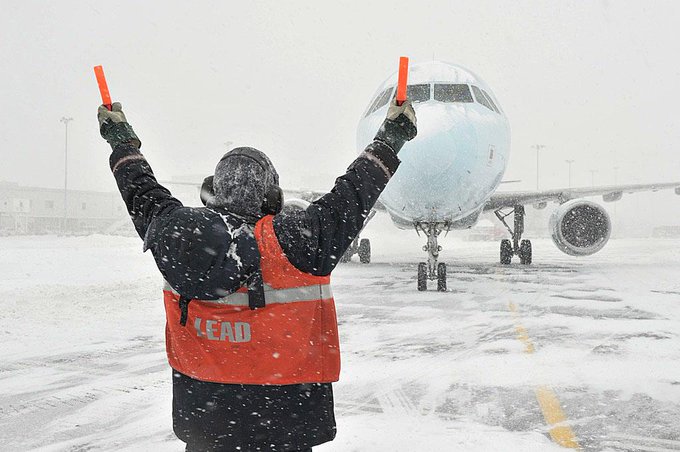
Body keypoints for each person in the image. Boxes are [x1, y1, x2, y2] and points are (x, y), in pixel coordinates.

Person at [97, 96, 417, 451]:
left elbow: (140, 189)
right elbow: (355, 192)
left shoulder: (178, 236)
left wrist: (120, 139)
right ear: (272, 197)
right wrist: (391, 138)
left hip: (206, 420)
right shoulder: (300, 239)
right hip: (288, 423)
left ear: (212, 192)